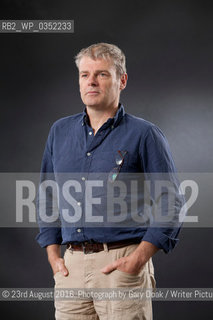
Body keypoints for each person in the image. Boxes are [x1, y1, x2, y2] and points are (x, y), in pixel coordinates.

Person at [36, 43, 183, 320]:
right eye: (84, 75)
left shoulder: (145, 135)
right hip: (71, 269)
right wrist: (54, 256)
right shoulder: (59, 132)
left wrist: (138, 259)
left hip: (122, 266)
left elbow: (171, 201)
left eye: (101, 74)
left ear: (122, 80)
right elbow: (47, 195)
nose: (91, 81)